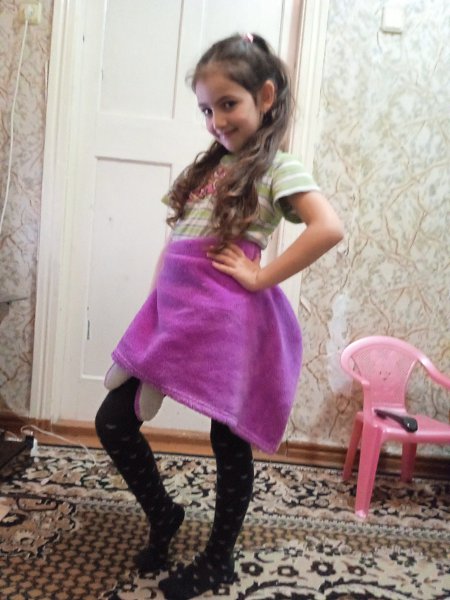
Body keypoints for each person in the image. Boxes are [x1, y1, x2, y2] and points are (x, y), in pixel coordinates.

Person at [95, 32, 344, 600]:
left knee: (229, 442)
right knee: (113, 420)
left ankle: (219, 559)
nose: (216, 120)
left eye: (228, 104)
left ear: (265, 97)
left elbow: (329, 227)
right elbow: (174, 246)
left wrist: (260, 275)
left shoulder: (277, 168)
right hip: (175, 316)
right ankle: (164, 514)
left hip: (228, 326)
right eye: (207, 109)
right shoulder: (206, 169)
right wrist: (155, 308)